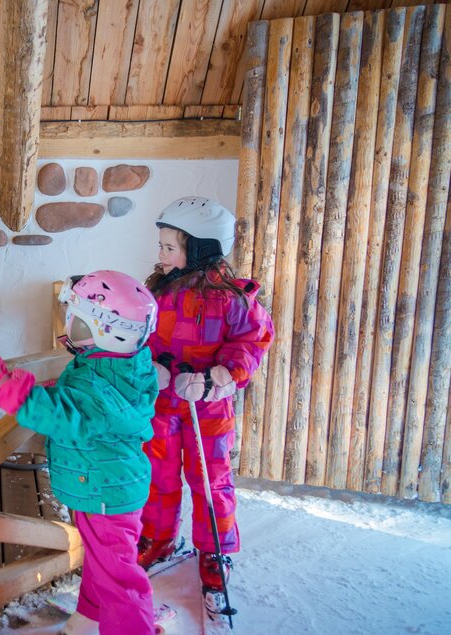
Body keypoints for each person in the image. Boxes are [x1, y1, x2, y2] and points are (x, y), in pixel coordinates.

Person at [0, 270, 162, 635]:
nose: (70, 323)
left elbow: (53, 413)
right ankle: (88, 618)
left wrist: (0, 380)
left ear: (101, 328)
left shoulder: (95, 387)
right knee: (102, 565)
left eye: (77, 318)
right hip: (106, 487)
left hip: (103, 493)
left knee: (119, 579)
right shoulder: (121, 365)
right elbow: (83, 406)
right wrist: (57, 387)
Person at [136, 196, 274, 596]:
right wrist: (150, 368)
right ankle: (157, 536)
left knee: (210, 479)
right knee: (157, 476)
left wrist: (220, 378)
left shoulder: (233, 298)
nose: (160, 255)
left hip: (207, 407)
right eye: (161, 246)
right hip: (162, 402)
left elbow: (253, 341)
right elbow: (138, 335)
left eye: (169, 247)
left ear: (199, 248)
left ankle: (215, 549)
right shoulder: (156, 291)